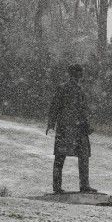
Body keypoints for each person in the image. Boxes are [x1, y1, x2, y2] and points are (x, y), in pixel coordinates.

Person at [46, 64, 97, 193]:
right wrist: (51, 124)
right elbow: (55, 107)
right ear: (74, 74)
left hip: (78, 128)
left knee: (81, 156)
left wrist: (87, 124)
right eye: (79, 73)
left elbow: (83, 110)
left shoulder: (79, 90)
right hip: (67, 128)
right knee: (61, 156)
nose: (80, 76)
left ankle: (82, 185)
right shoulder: (64, 89)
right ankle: (59, 187)